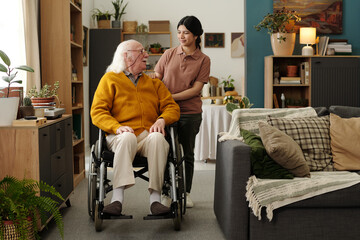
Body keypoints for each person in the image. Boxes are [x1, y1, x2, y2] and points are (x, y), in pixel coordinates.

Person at [90, 40, 180, 216]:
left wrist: (162, 120)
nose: (146, 55)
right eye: (141, 52)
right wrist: (116, 127)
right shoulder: (110, 79)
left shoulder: (154, 83)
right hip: (119, 137)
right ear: (127, 56)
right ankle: (117, 199)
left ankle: (155, 200)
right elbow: (98, 112)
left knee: (157, 138)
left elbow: (172, 107)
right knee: (127, 137)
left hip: (147, 136)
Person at [152, 16, 211, 208]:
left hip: (190, 113)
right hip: (167, 112)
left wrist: (170, 97)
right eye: (179, 32)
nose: (181, 36)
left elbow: (196, 90)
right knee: (165, 152)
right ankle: (167, 193)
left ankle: (186, 191)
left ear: (196, 35)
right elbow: (157, 79)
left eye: (185, 32)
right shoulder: (168, 54)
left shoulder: (203, 60)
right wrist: (161, 96)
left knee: (187, 153)